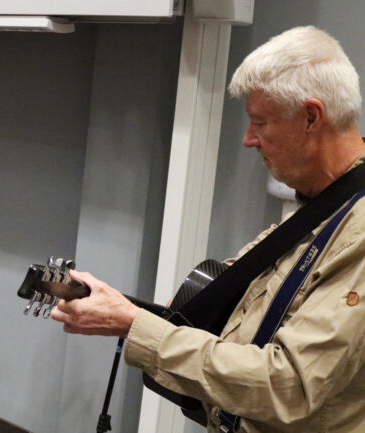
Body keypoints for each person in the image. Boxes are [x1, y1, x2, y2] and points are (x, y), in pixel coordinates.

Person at [50, 26, 365, 433]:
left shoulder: (357, 232)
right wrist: (127, 310)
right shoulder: (323, 204)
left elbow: (288, 385)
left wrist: (133, 325)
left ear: (311, 116)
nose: (249, 140)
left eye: (259, 122)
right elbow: (247, 296)